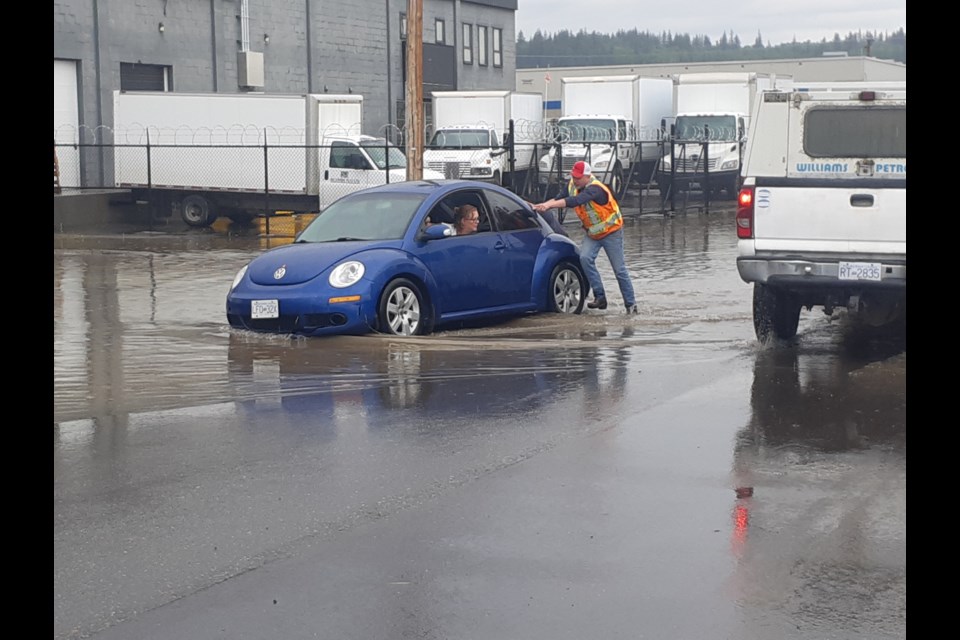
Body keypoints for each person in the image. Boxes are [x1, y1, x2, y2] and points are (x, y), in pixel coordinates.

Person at [532, 160, 638, 313]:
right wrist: (540, 206)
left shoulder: (595, 189)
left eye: (578, 178)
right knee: (585, 258)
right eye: (573, 177)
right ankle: (600, 297)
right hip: (593, 234)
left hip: (612, 233)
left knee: (619, 270)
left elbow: (575, 201)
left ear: (587, 176)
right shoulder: (572, 186)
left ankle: (631, 305)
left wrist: (548, 206)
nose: (574, 180)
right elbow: (557, 198)